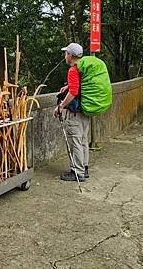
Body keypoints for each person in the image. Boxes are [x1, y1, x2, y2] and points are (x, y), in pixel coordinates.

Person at [53, 42, 90, 182]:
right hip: (85, 110)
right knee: (83, 140)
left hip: (75, 113)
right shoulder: (83, 69)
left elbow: (74, 92)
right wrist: (68, 86)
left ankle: (77, 172)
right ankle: (84, 168)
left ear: (70, 55)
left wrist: (61, 106)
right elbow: (78, 86)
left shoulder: (73, 70)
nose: (65, 56)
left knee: (75, 141)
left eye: (66, 53)